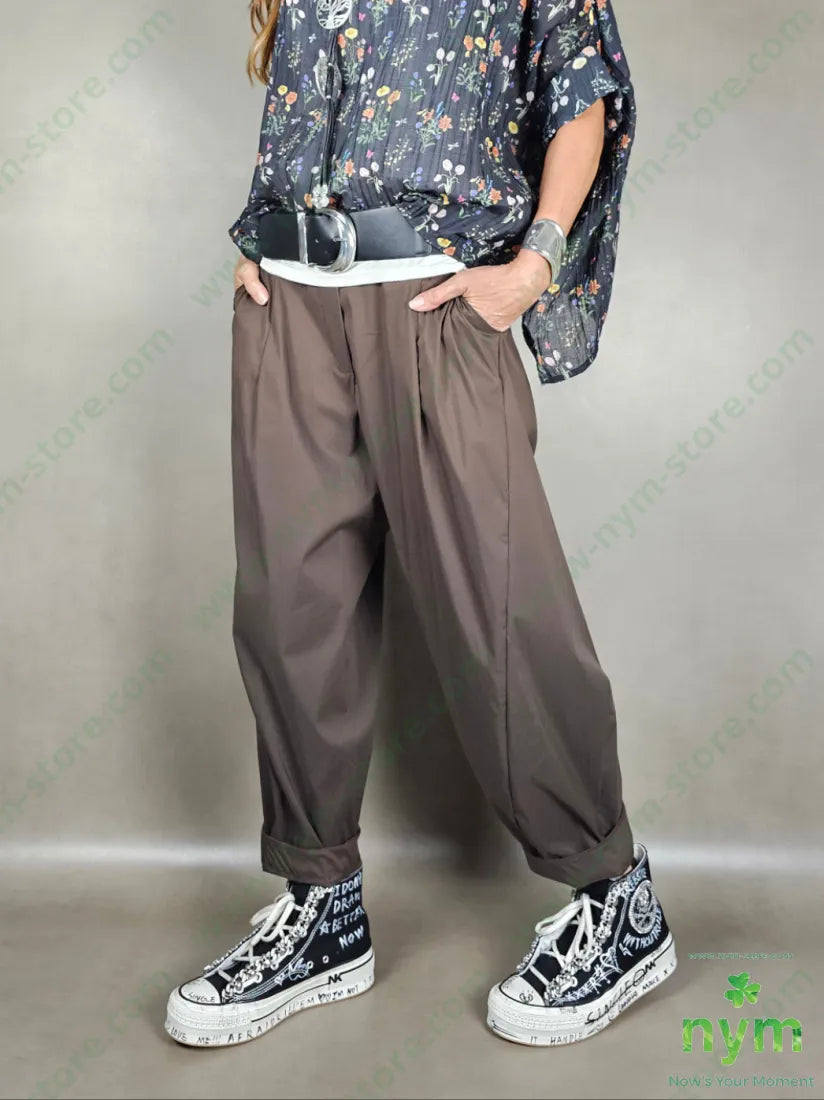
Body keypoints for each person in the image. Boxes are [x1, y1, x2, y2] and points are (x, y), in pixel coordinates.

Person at [165, 0, 677, 1050]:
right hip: (286, 300)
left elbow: (581, 94)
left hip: (434, 300)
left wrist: (533, 264)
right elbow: (305, 105)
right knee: (290, 612)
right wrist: (259, 236)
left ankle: (613, 894)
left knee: (500, 608)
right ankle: (321, 905)